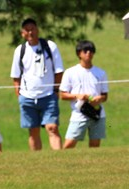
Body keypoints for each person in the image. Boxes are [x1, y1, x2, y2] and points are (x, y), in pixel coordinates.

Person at [10, 18, 64, 151]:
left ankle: (59, 159)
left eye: (32, 28)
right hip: (27, 97)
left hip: (48, 95)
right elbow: (16, 76)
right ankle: (37, 159)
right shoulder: (20, 50)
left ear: (37, 29)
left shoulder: (50, 46)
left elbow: (58, 71)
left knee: (52, 128)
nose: (30, 32)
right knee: (33, 131)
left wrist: (56, 91)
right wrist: (19, 95)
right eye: (27, 30)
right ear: (22, 33)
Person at [59, 40, 108, 149]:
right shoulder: (70, 72)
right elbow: (62, 95)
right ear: (79, 53)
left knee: (95, 146)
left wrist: (99, 98)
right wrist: (78, 96)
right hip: (79, 113)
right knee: (69, 145)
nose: (88, 53)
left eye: (91, 51)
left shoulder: (101, 73)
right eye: (85, 51)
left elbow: (105, 96)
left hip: (97, 113)